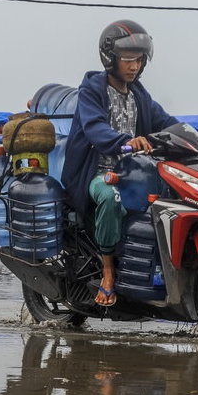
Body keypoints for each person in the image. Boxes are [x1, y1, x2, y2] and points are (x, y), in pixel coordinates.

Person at [61, 19, 178, 307]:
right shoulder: (91, 91)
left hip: (135, 175)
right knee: (112, 199)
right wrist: (126, 141)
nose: (134, 66)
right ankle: (108, 272)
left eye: (138, 60)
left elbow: (167, 122)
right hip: (97, 173)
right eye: (127, 59)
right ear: (110, 58)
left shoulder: (139, 95)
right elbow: (96, 128)